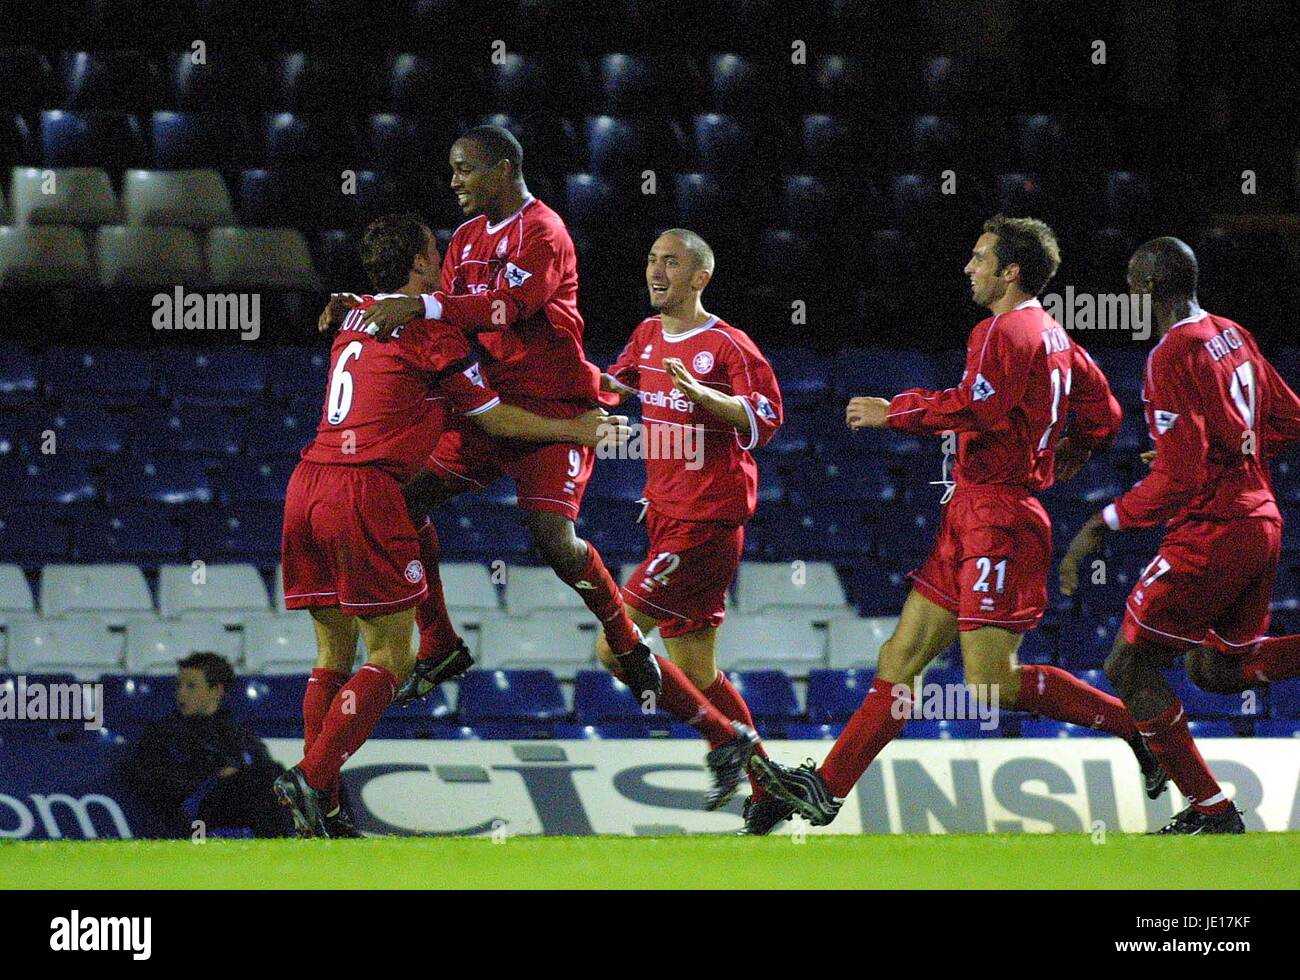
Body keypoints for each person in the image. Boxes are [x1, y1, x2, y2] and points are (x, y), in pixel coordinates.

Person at [753, 215, 1166, 826]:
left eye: (979, 258)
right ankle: (827, 788)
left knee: (991, 684)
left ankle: (1140, 729)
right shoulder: (1056, 336)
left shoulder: (1002, 330)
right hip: (975, 510)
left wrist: (896, 412)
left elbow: (979, 405)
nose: (968, 268)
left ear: (1010, 272)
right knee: (898, 660)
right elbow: (1103, 413)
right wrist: (1064, 456)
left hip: (999, 517)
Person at [277, 212, 627, 837]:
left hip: (306, 484)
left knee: (332, 651)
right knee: (390, 652)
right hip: (366, 488)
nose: (442, 264)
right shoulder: (428, 336)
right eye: (433, 254)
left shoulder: (354, 318)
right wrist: (573, 427)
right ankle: (312, 775)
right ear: (416, 265)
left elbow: (379, 327)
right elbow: (493, 420)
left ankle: (321, 812)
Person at [321, 125, 662, 706]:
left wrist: (420, 303)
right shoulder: (468, 237)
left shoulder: (545, 231)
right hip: (492, 404)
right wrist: (371, 303)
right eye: (453, 170)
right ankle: (441, 642)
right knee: (402, 504)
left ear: (502, 169)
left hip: (555, 406)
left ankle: (624, 636)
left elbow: (509, 307)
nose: (454, 182)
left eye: (465, 169)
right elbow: (449, 312)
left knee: (553, 541)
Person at [1059, 236, 1300, 834]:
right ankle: (1211, 810)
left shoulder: (1170, 355)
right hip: (1261, 521)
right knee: (1215, 671)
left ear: (1143, 289)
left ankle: (1212, 811)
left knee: (1127, 666)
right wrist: (1225, 454)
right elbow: (1290, 419)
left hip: (1214, 529)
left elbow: (1180, 478)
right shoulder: (1231, 332)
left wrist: (1101, 522)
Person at [598, 228, 785, 819]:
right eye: (652, 259)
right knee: (698, 668)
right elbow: (611, 386)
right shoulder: (647, 335)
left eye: (671, 262)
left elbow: (765, 418)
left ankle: (723, 740)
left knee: (614, 647)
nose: (657, 270)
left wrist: (708, 396)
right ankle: (768, 790)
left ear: (700, 277)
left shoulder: (729, 345)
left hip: (705, 522)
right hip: (667, 515)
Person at [125, 652, 292, 838]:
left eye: (191, 686)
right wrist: (214, 776)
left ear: (216, 691)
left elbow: (261, 766)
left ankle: (281, 843)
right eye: (179, 685)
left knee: (272, 773)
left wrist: (234, 773)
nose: (181, 692)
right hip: (194, 811)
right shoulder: (164, 732)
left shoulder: (238, 733)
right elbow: (150, 777)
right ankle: (281, 844)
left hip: (238, 805)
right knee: (262, 777)